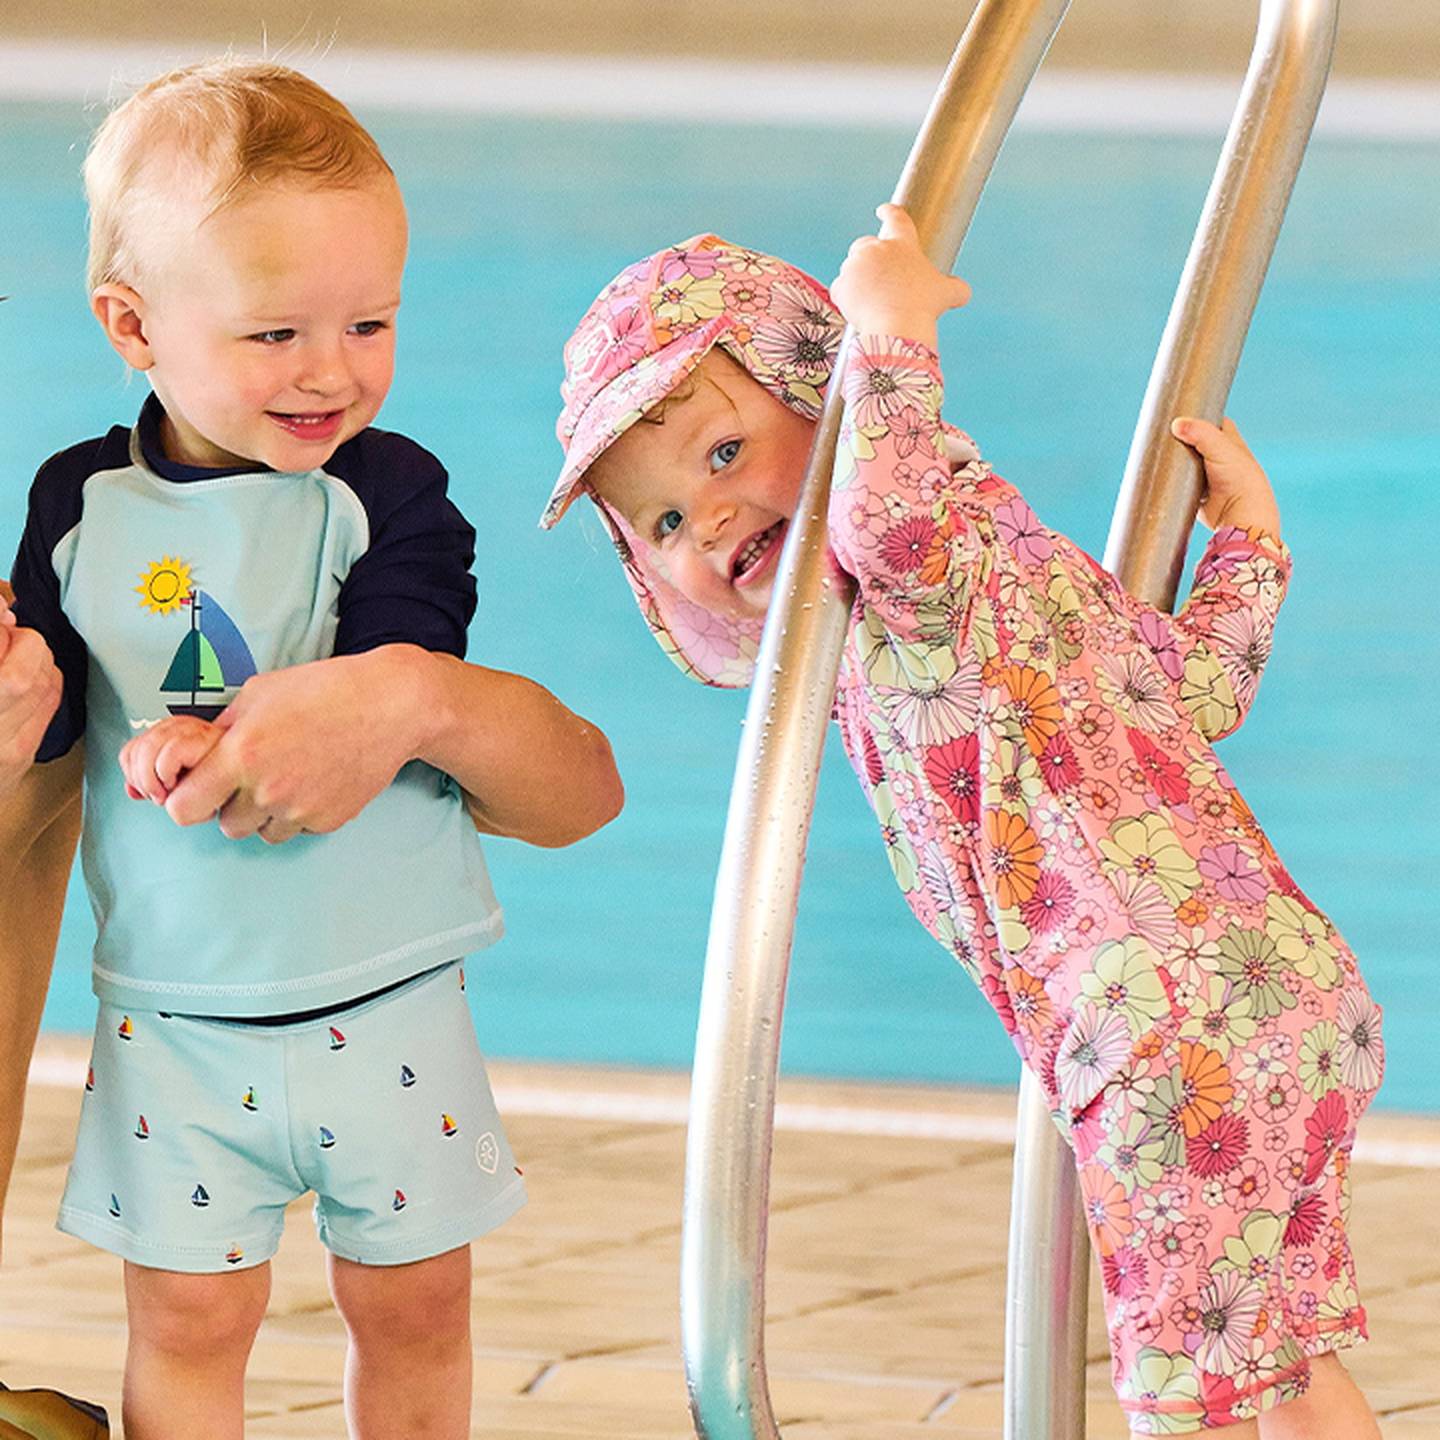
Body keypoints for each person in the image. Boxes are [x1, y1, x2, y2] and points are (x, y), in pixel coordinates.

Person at [539, 208, 1385, 1437]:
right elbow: (1200, 691)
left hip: (1159, 1033)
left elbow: (885, 519)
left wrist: (886, 337)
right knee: (1274, 1372)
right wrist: (1248, 544)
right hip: (1290, 998)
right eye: (663, 522)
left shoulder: (913, 586)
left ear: (819, 395)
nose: (707, 520)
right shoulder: (1010, 566)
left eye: (723, 455)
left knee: (1187, 1406)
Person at [4, 60, 622, 1440]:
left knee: (415, 1307)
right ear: (133, 326)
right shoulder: (75, 505)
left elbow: (394, 662)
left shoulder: (386, 492)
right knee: (185, 1319)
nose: (331, 370)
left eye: (369, 321)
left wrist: (216, 738)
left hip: (387, 1002)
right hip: (171, 1017)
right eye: (276, 333)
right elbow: (46, 729)